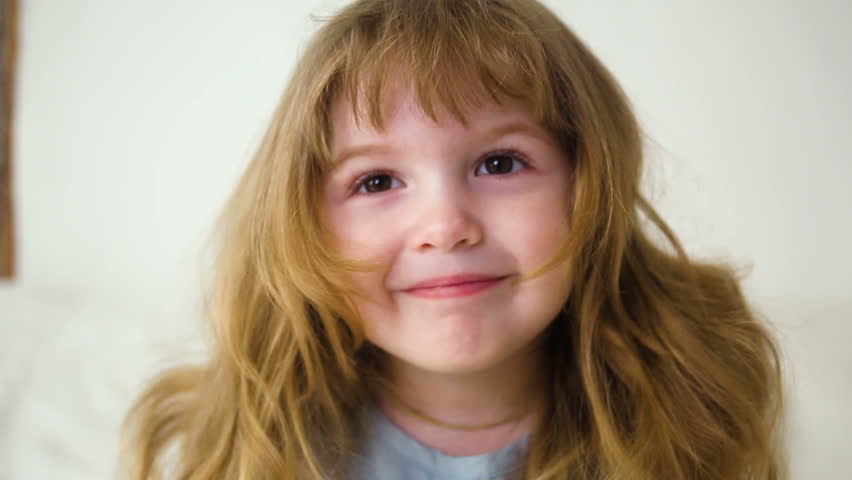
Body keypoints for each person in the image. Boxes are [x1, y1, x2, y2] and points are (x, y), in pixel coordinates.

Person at [122, 0, 786, 478]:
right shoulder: (255, 445)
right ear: (301, 222)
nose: (445, 227)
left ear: (591, 186)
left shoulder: (688, 411)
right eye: (377, 181)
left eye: (500, 163)